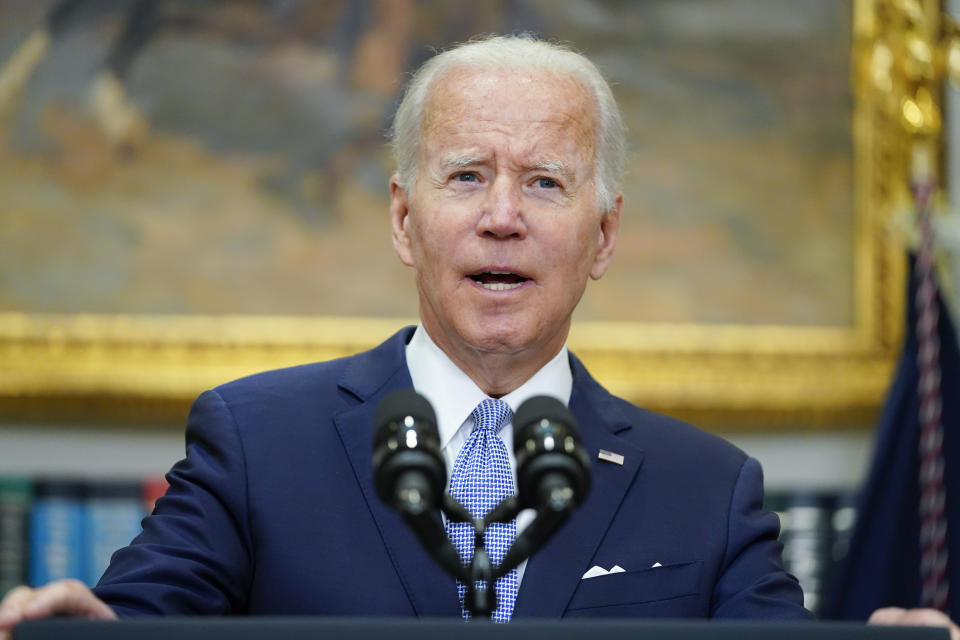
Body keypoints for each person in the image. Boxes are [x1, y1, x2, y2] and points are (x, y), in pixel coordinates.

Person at [0, 34, 957, 637]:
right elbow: (135, 617)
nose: (503, 216)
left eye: (545, 181)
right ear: (404, 221)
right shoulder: (258, 441)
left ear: (605, 234)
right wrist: (84, 625)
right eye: (465, 176)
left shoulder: (709, 489)